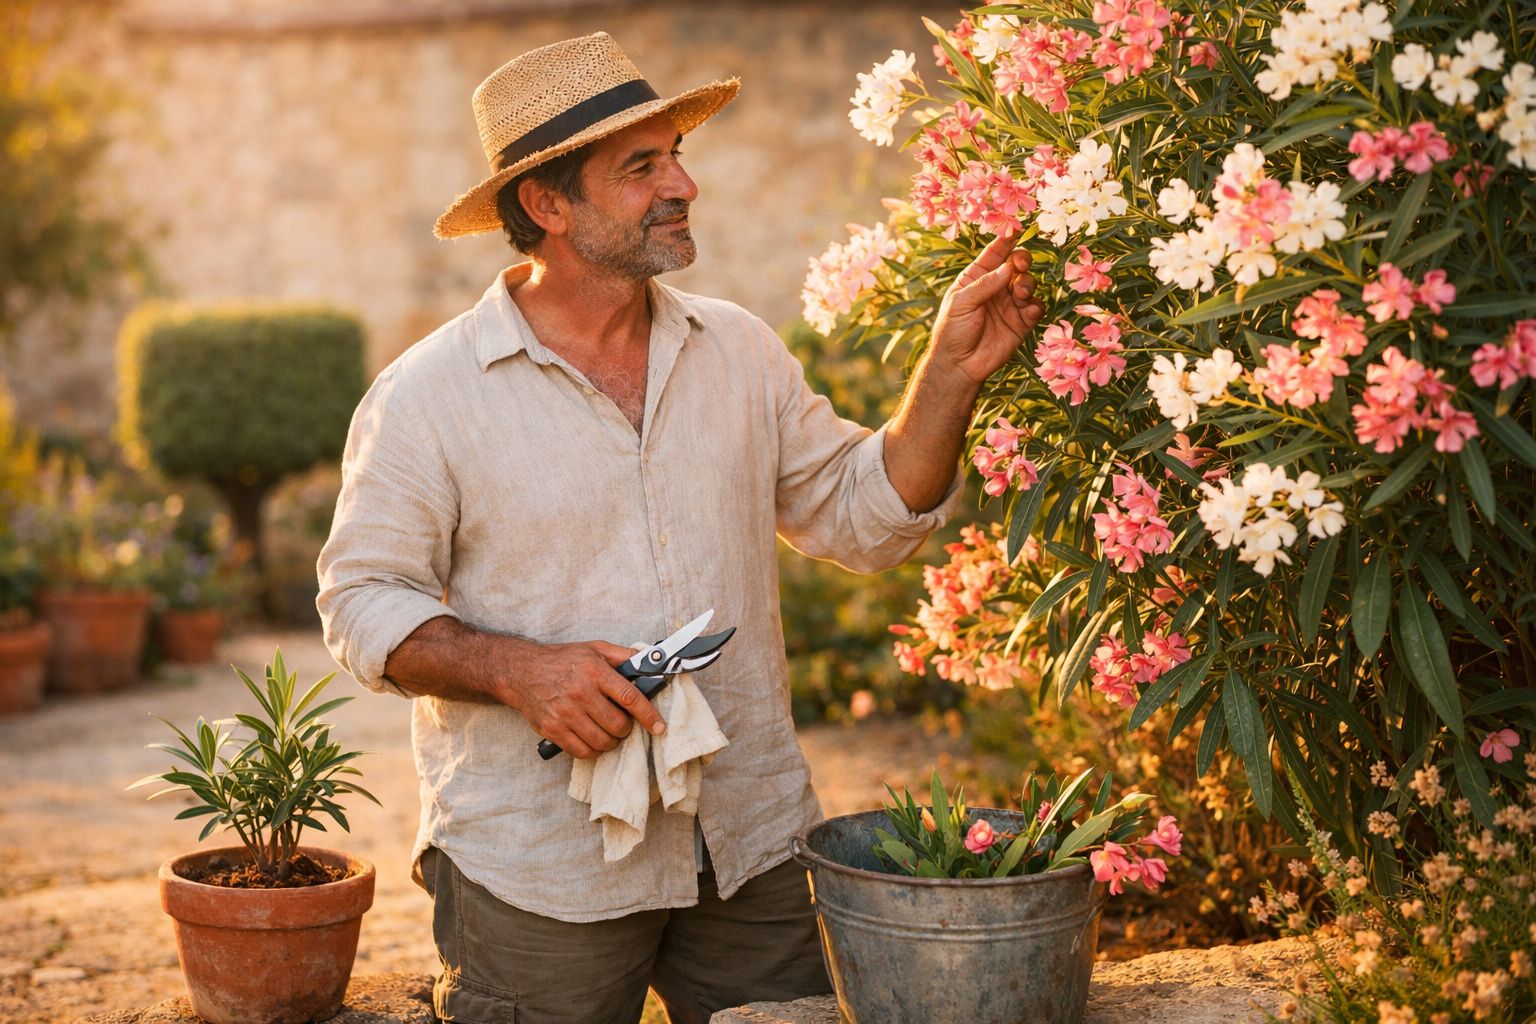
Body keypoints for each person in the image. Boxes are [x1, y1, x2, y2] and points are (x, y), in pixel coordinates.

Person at [317, 31, 1044, 1024]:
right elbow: (361, 601)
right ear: (547, 205)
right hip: (541, 866)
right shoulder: (427, 396)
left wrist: (950, 372)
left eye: (676, 157)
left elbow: (864, 516)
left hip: (749, 842)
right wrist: (519, 671)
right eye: (641, 168)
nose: (684, 186)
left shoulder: (740, 351)